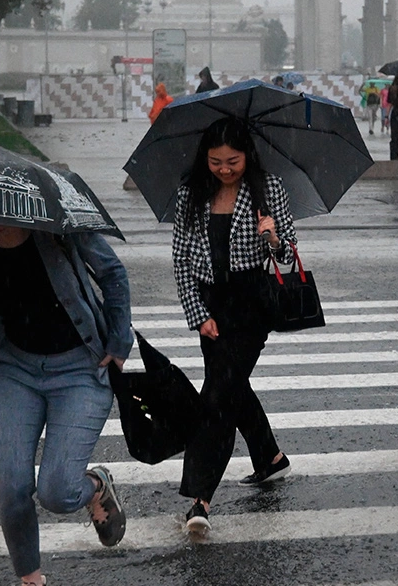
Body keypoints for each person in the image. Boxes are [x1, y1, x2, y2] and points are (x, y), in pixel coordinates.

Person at [0, 221, 132, 586]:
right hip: (15, 369)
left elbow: (112, 273)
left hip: (79, 368)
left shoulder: (60, 229)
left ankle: (95, 484)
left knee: (58, 492)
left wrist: (118, 341)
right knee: (11, 486)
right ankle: (30, 578)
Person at [171, 117, 297, 535]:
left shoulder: (267, 189)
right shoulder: (190, 194)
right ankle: (270, 457)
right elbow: (181, 261)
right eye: (215, 161)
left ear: (248, 156)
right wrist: (197, 313)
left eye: (233, 161)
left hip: (250, 304)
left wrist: (274, 238)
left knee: (218, 397)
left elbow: (288, 257)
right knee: (231, 387)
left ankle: (200, 498)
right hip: (210, 304)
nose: (224, 169)